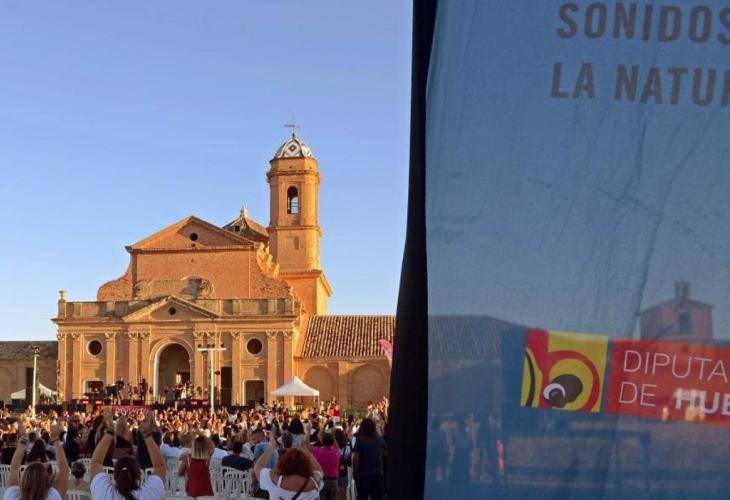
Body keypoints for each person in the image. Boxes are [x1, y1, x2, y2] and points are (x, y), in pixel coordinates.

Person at [90, 410, 166, 500]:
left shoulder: (104, 493)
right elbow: (160, 465)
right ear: (138, 476)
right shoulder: (149, 494)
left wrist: (110, 431)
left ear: (115, 475)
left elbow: (96, 461)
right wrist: (146, 435)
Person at [3, 421, 69, 500]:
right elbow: (64, 470)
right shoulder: (52, 497)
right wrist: (55, 439)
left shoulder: (11, 496)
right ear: (46, 482)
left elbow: (14, 468)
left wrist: (23, 440)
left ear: (24, 480)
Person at [254, 431, 323, 500]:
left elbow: (258, 467)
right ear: (306, 464)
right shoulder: (315, 481)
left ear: (283, 463)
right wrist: (305, 450)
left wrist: (271, 448)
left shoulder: (273, 479)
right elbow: (319, 470)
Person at [352, 418, 385, 500]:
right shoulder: (380, 440)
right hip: (378, 474)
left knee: (362, 497)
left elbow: (356, 458)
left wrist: (356, 472)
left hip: (363, 474)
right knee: (377, 497)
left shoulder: (360, 440)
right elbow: (385, 455)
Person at [310, 432, 339, 500]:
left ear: (322, 442)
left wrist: (308, 432)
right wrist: (333, 436)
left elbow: (305, 445)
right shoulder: (336, 451)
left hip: (321, 481)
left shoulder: (316, 451)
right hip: (333, 481)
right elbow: (336, 445)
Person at [333, 429, 351, 500]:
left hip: (334, 473)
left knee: (335, 495)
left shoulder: (332, 449)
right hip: (343, 473)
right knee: (343, 495)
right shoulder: (347, 448)